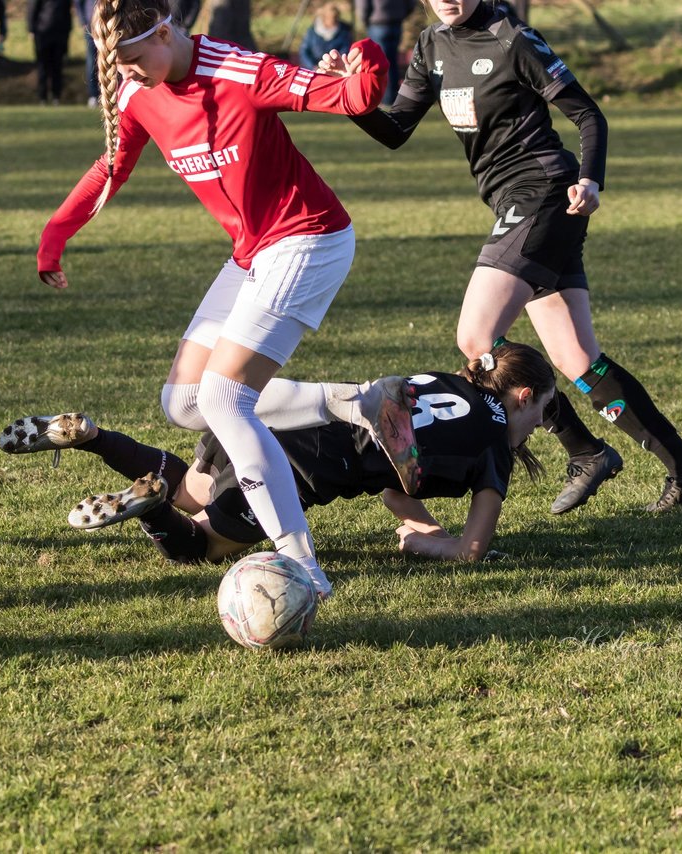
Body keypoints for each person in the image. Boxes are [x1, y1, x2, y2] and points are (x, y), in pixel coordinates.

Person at [36, 0, 412, 599]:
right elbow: (111, 166)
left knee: (225, 395)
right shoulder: (138, 93)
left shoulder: (239, 70)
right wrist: (56, 234)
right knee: (186, 403)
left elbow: (353, 97)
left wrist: (365, 54)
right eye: (118, 66)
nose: (128, 76)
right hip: (252, 251)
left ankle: (301, 564)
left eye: (134, 61)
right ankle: (355, 402)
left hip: (309, 238)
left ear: (165, 32)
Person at [323, 0, 682, 514]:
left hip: (545, 193)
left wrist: (590, 180)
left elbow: (587, 114)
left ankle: (586, 451)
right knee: (577, 358)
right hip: (520, 202)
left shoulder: (512, 38)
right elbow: (396, 129)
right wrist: (347, 97)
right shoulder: (429, 45)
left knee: (475, 337)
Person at [1, 342, 556, 573]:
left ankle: (95, 436)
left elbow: (398, 477)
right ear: (523, 397)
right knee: (202, 546)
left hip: (276, 415)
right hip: (301, 466)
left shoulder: (447, 381)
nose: (537, 428)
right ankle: (148, 511)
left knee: (191, 488)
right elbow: (471, 551)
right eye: (542, 415)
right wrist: (426, 541)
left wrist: (417, 518)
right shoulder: (495, 449)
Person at [355, 0, 416, 105]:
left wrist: (365, 19)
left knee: (381, 65)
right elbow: (411, 3)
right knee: (392, 62)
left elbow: (363, 5)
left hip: (377, 23)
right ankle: (394, 98)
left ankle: (386, 99)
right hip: (396, 23)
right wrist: (401, 14)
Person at [29, 0, 74, 105]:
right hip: (42, 33)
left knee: (57, 67)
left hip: (59, 34)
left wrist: (67, 32)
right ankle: (42, 97)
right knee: (42, 66)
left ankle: (56, 96)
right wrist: (31, 29)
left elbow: (67, 13)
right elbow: (32, 9)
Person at [299, 2, 352, 72]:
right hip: (314, 68)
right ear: (324, 17)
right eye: (329, 18)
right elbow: (304, 51)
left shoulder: (344, 32)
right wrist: (313, 67)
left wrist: (333, 66)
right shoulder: (312, 31)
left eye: (335, 18)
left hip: (333, 69)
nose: (332, 21)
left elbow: (344, 51)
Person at [76, 0, 99, 107]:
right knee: (92, 62)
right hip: (91, 27)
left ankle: (114, 93)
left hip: (111, 26)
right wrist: (83, 21)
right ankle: (93, 95)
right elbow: (78, 3)